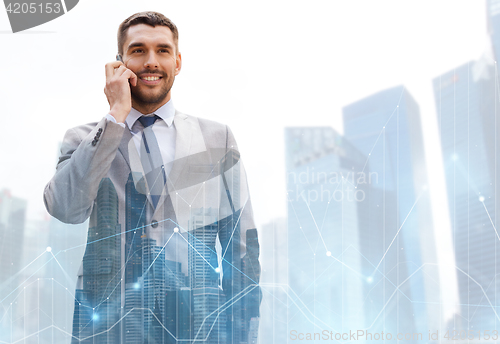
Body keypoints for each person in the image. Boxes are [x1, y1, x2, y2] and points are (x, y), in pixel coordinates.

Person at [44, 11, 261, 344]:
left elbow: (241, 246)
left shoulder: (218, 138)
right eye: (138, 50)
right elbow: (64, 208)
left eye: (162, 50)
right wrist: (115, 116)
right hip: (107, 326)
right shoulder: (84, 138)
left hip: (199, 325)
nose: (151, 61)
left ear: (177, 61)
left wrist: (243, 335)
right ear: (119, 63)